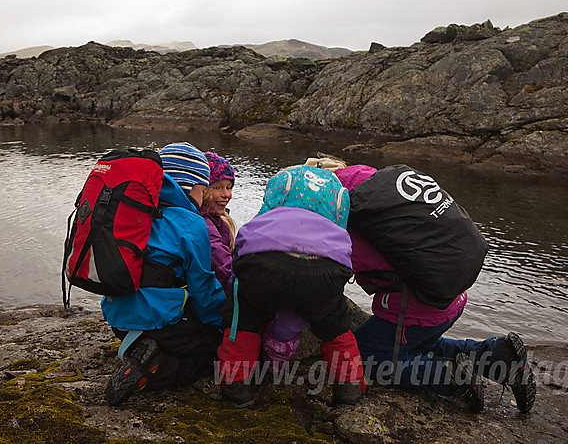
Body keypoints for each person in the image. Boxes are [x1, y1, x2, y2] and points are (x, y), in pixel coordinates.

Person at [334, 163, 536, 414]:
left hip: (417, 310)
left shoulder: (351, 225)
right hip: (451, 297)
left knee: (362, 355)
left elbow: (328, 279)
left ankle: (449, 377)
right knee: (421, 347)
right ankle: (499, 355)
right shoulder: (373, 185)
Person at [216, 165, 365, 407]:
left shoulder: (283, 184)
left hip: (264, 262)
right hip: (325, 269)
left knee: (244, 317)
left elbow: (247, 238)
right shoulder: (337, 194)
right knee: (335, 328)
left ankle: (236, 388)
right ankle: (349, 391)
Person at [103, 142, 226, 406]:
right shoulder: (190, 223)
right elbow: (202, 287)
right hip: (163, 324)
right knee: (212, 352)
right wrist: (221, 322)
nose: (202, 196)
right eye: (203, 189)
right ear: (192, 186)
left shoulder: (130, 211)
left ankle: (142, 346)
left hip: (118, 319)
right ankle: (152, 369)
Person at [200, 151, 237, 296]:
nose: (226, 195)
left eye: (228, 187)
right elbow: (225, 270)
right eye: (218, 187)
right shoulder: (205, 225)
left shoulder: (220, 221)